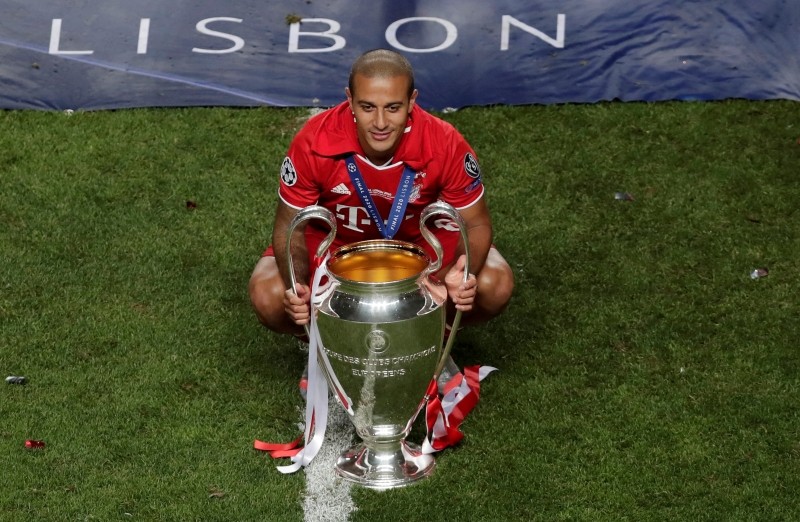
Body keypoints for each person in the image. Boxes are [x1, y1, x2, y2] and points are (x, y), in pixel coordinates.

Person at [249, 49, 513, 343]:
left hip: (417, 243)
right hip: (336, 242)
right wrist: (297, 288)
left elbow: (476, 224)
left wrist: (460, 275)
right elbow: (289, 226)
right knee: (269, 294)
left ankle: (425, 345)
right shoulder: (314, 140)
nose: (380, 123)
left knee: (494, 283)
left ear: (412, 101)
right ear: (349, 99)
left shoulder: (444, 142)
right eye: (367, 107)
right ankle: (330, 353)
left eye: (393, 107)